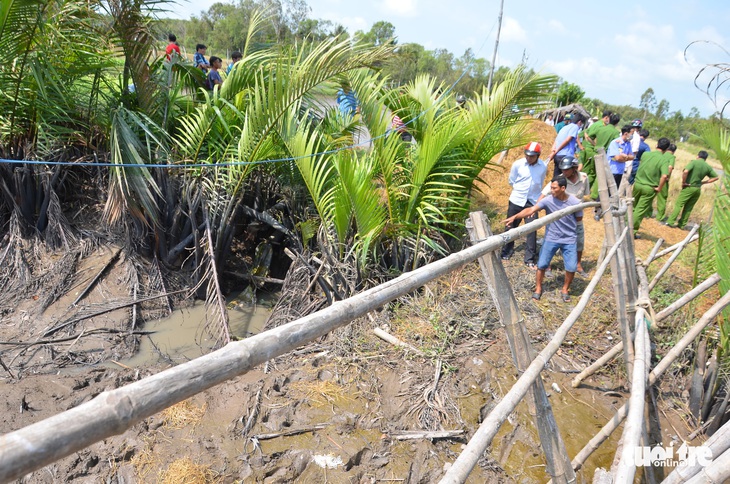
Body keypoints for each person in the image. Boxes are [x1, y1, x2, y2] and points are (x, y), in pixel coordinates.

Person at [504, 175, 583, 302]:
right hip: (551, 238)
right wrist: (515, 217)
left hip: (569, 239)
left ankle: (565, 289)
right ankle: (538, 289)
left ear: (563, 188)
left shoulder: (575, 202)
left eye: (554, 188)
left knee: (571, 267)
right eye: (551, 188)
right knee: (541, 265)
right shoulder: (548, 200)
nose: (551, 191)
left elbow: (579, 219)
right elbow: (531, 209)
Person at [538, 156, 590, 277]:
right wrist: (537, 207)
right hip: (559, 219)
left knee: (579, 240)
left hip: (576, 217)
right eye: (563, 169)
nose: (564, 172)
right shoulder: (559, 180)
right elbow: (544, 193)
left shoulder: (584, 177)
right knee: (550, 243)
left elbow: (585, 195)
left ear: (574, 168)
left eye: (567, 169)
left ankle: (578, 265)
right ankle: (547, 266)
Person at [500, 142, 548, 267]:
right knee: (511, 226)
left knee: (531, 229)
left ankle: (529, 259)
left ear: (538, 155)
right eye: (527, 155)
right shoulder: (518, 164)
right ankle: (506, 252)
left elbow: (540, 182)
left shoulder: (543, 166)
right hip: (517, 199)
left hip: (531, 202)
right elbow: (512, 180)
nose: (529, 158)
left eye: (532, 156)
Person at [666, 151, 719, 229]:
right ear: (705, 159)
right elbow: (716, 177)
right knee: (689, 207)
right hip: (697, 189)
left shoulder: (694, 162)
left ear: (698, 156)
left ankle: (670, 222)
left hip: (689, 186)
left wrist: (683, 182)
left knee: (679, 204)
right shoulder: (707, 166)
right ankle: (682, 224)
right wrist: (703, 182)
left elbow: (686, 171)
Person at [632, 137, 670, 235]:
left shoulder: (645, 154)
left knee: (633, 206)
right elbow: (665, 175)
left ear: (656, 145)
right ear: (666, 150)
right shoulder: (664, 160)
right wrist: (659, 188)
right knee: (640, 210)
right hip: (649, 188)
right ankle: (632, 231)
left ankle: (624, 224)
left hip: (638, 184)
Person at [548, 113, 584, 178]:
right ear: (579, 122)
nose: (581, 125)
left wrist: (553, 152)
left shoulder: (565, 127)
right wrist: (555, 151)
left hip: (557, 156)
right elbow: (567, 140)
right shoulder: (575, 127)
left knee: (556, 177)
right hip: (565, 156)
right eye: (581, 124)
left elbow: (556, 140)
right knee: (565, 178)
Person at [607, 125, 635, 189]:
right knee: (607, 192)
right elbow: (617, 158)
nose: (632, 136)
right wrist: (626, 158)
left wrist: (625, 157)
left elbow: (632, 157)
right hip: (612, 170)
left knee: (614, 193)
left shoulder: (628, 144)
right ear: (626, 133)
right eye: (632, 134)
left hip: (620, 171)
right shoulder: (615, 143)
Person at [656, 143, 677, 222]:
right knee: (662, 198)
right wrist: (667, 176)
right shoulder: (671, 157)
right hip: (663, 178)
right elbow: (670, 167)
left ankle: (647, 213)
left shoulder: (662, 154)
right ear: (674, 151)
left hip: (655, 177)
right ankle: (660, 216)